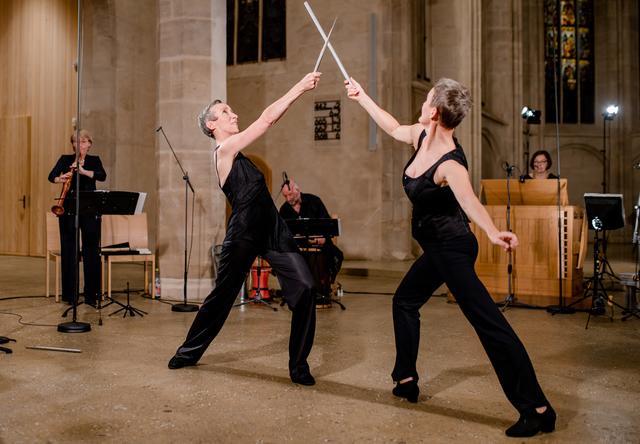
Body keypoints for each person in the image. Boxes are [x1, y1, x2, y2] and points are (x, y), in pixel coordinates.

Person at [345, 77, 556, 438]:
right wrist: (361, 96)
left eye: (427, 100)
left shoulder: (450, 164)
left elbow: (469, 201)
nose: (422, 105)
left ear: (434, 112)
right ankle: (406, 378)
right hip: (437, 250)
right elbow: (393, 127)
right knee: (405, 301)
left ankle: (537, 408)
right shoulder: (421, 136)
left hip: (454, 248)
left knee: (489, 325)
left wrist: (492, 232)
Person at [168, 72, 322, 386]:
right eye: (226, 112)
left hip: (273, 231)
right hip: (243, 233)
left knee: (306, 287)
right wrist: (299, 86)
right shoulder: (222, 153)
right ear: (212, 125)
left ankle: (299, 366)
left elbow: (270, 121)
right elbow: (266, 120)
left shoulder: (242, 156)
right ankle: (188, 352)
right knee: (222, 297)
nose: (233, 113)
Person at [48, 129, 106, 307]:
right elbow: (52, 176)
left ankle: (91, 295)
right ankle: (70, 295)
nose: (78, 145)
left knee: (91, 251)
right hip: (68, 208)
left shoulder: (94, 160)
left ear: (89, 144)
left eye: (82, 141)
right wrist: (61, 178)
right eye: (75, 141)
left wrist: (83, 171)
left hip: (89, 209)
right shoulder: (65, 159)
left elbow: (102, 176)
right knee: (69, 251)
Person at [280, 179, 344, 305]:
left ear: (298, 190)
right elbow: (283, 233)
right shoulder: (284, 209)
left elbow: (327, 223)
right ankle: (300, 292)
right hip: (297, 247)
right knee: (287, 257)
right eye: (285, 196)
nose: (288, 199)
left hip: (320, 243)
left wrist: (324, 237)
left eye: (290, 195)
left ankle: (321, 291)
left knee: (327, 255)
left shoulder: (314, 201)